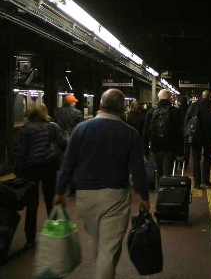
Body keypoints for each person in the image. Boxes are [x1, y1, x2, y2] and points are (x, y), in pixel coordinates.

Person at [53, 89, 150, 279]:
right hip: (115, 196)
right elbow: (138, 169)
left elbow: (68, 164)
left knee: (98, 242)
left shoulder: (81, 129)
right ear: (122, 110)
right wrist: (144, 196)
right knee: (108, 248)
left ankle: (102, 269)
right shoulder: (130, 133)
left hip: (86, 196)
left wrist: (59, 191)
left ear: (99, 106)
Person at [16, 102, 67, 248]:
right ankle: (55, 232)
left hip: (30, 169)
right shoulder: (52, 127)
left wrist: (19, 171)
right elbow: (63, 143)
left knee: (32, 204)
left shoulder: (26, 129)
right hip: (48, 167)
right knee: (51, 200)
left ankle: (30, 239)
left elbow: (22, 152)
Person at [143, 90, 184, 185]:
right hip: (169, 148)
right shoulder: (175, 112)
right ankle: (165, 193)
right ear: (168, 97)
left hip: (155, 148)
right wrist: (180, 153)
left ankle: (159, 193)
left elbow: (145, 132)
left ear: (159, 97)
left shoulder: (151, 111)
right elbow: (179, 134)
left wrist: (145, 151)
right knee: (167, 174)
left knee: (158, 172)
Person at [185, 90, 211, 190]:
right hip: (207, 139)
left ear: (202, 96)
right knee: (207, 158)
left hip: (195, 137)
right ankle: (206, 180)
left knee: (196, 159)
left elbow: (187, 120)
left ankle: (196, 183)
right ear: (210, 97)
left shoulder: (194, 106)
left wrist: (187, 135)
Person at [53, 94, 84, 196]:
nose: (75, 103)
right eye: (74, 102)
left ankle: (60, 186)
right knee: (74, 164)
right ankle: (73, 187)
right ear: (72, 103)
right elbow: (80, 128)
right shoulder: (78, 113)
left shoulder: (56, 112)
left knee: (62, 164)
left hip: (60, 141)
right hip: (73, 140)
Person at [177, 96, 190, 168]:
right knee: (187, 148)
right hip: (188, 132)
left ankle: (179, 162)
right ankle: (185, 163)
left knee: (180, 147)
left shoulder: (178, 110)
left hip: (179, 132)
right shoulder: (189, 109)